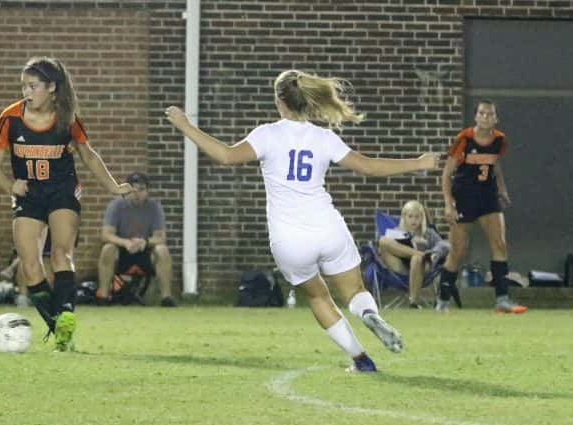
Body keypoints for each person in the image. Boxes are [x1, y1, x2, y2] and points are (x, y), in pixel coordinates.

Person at [165, 69, 439, 372]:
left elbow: (226, 156)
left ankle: (361, 359)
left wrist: (185, 125)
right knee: (354, 291)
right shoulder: (324, 138)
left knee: (319, 296)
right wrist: (417, 162)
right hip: (328, 227)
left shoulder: (267, 134)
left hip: (289, 239)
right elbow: (368, 167)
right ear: (308, 101)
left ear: (279, 101)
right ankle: (369, 315)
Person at [0, 56, 133, 351]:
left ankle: (65, 313)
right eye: (23, 86)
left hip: (62, 191)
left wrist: (114, 186)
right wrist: (10, 185)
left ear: (52, 87)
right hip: (29, 195)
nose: (26, 92)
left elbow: (89, 156)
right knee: (29, 267)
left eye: (33, 86)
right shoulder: (10, 118)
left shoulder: (66, 118)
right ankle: (58, 327)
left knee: (61, 254)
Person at [435, 100, 528, 314]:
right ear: (476, 116)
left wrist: (502, 189)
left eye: (490, 114)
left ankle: (502, 299)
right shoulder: (464, 139)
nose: (485, 117)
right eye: (482, 113)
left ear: (496, 118)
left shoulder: (500, 140)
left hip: (487, 196)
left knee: (500, 243)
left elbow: (495, 164)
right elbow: (446, 174)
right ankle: (443, 298)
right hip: (464, 197)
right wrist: (448, 204)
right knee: (458, 251)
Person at [96, 171, 176, 307]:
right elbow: (106, 235)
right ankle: (103, 296)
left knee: (162, 250)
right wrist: (125, 242)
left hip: (145, 252)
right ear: (127, 190)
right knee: (107, 248)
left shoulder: (154, 208)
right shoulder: (116, 206)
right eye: (133, 189)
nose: (137, 193)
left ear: (147, 191)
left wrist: (144, 241)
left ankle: (166, 298)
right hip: (122, 252)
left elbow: (160, 238)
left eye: (141, 189)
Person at [378, 200, 450, 308]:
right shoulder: (396, 231)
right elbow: (384, 247)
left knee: (416, 258)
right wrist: (411, 241)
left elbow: (445, 245)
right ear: (404, 217)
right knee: (383, 240)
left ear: (422, 218)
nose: (413, 220)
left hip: (421, 268)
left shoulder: (428, 233)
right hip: (400, 267)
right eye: (410, 216)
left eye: (417, 217)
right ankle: (420, 254)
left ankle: (413, 303)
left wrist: (434, 252)